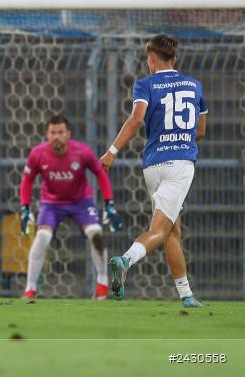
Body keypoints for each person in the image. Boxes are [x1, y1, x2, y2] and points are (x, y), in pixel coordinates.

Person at [101, 34, 207, 308]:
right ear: (175, 58)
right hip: (180, 163)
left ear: (151, 59)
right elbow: (201, 130)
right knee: (160, 229)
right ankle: (126, 260)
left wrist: (112, 151)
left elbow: (136, 119)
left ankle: (186, 295)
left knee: (172, 230)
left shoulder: (145, 85)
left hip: (152, 164)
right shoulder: (195, 86)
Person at [18, 114, 122, 300]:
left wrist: (109, 203)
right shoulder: (37, 154)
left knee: (96, 234)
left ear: (68, 134)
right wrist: (24, 208)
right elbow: (27, 180)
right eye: (52, 132)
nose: (56, 136)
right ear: (47, 134)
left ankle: (102, 284)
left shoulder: (82, 152)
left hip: (81, 201)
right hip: (51, 204)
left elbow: (100, 173)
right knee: (42, 236)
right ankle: (30, 288)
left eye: (60, 132)